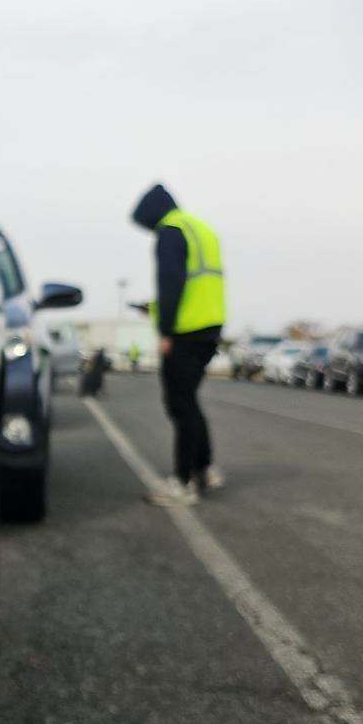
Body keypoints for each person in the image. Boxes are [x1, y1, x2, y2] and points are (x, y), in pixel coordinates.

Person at [130, 183, 226, 506]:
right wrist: (153, 308)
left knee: (179, 405)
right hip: (210, 327)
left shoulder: (170, 231)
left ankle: (183, 482)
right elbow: (193, 285)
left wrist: (165, 331)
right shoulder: (199, 229)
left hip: (185, 333)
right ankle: (205, 468)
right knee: (190, 403)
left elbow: (170, 282)